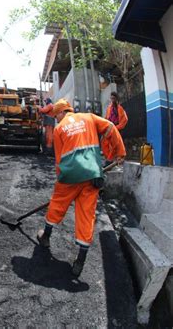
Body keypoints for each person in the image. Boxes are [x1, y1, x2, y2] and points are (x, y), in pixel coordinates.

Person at [36, 99, 126, 277]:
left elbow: (59, 160)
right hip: (92, 176)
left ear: (62, 112)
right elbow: (111, 127)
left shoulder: (60, 129)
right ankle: (80, 260)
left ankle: (45, 237)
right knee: (86, 215)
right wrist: (120, 152)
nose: (56, 119)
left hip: (69, 177)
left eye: (56, 116)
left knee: (57, 205)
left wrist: (60, 181)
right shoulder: (89, 118)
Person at [104, 91, 128, 164]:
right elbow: (106, 118)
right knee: (109, 144)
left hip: (117, 129)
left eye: (113, 98)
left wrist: (117, 127)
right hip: (111, 128)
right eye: (111, 98)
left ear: (116, 99)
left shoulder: (120, 109)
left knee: (117, 144)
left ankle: (118, 159)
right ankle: (110, 159)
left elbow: (124, 120)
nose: (112, 100)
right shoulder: (109, 108)